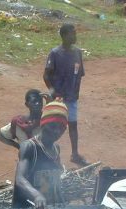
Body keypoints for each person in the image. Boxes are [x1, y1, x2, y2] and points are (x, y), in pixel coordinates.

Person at [43, 23, 88, 167]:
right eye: (72, 33)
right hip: (58, 98)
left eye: (75, 33)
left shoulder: (77, 53)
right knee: (52, 126)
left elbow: (80, 74)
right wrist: (53, 94)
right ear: (63, 36)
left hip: (71, 98)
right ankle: (45, 152)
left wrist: (76, 93)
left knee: (73, 125)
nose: (75, 36)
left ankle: (74, 154)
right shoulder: (55, 53)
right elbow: (46, 76)